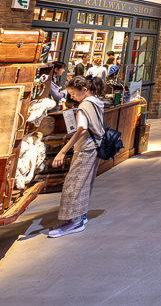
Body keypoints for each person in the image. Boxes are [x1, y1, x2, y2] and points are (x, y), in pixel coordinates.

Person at [48, 76, 105, 238]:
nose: (72, 97)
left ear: (84, 90)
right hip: (96, 146)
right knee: (84, 182)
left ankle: (74, 222)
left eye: (73, 93)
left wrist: (63, 150)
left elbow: (81, 128)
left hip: (86, 147)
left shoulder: (84, 106)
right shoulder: (96, 101)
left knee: (74, 184)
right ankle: (81, 215)